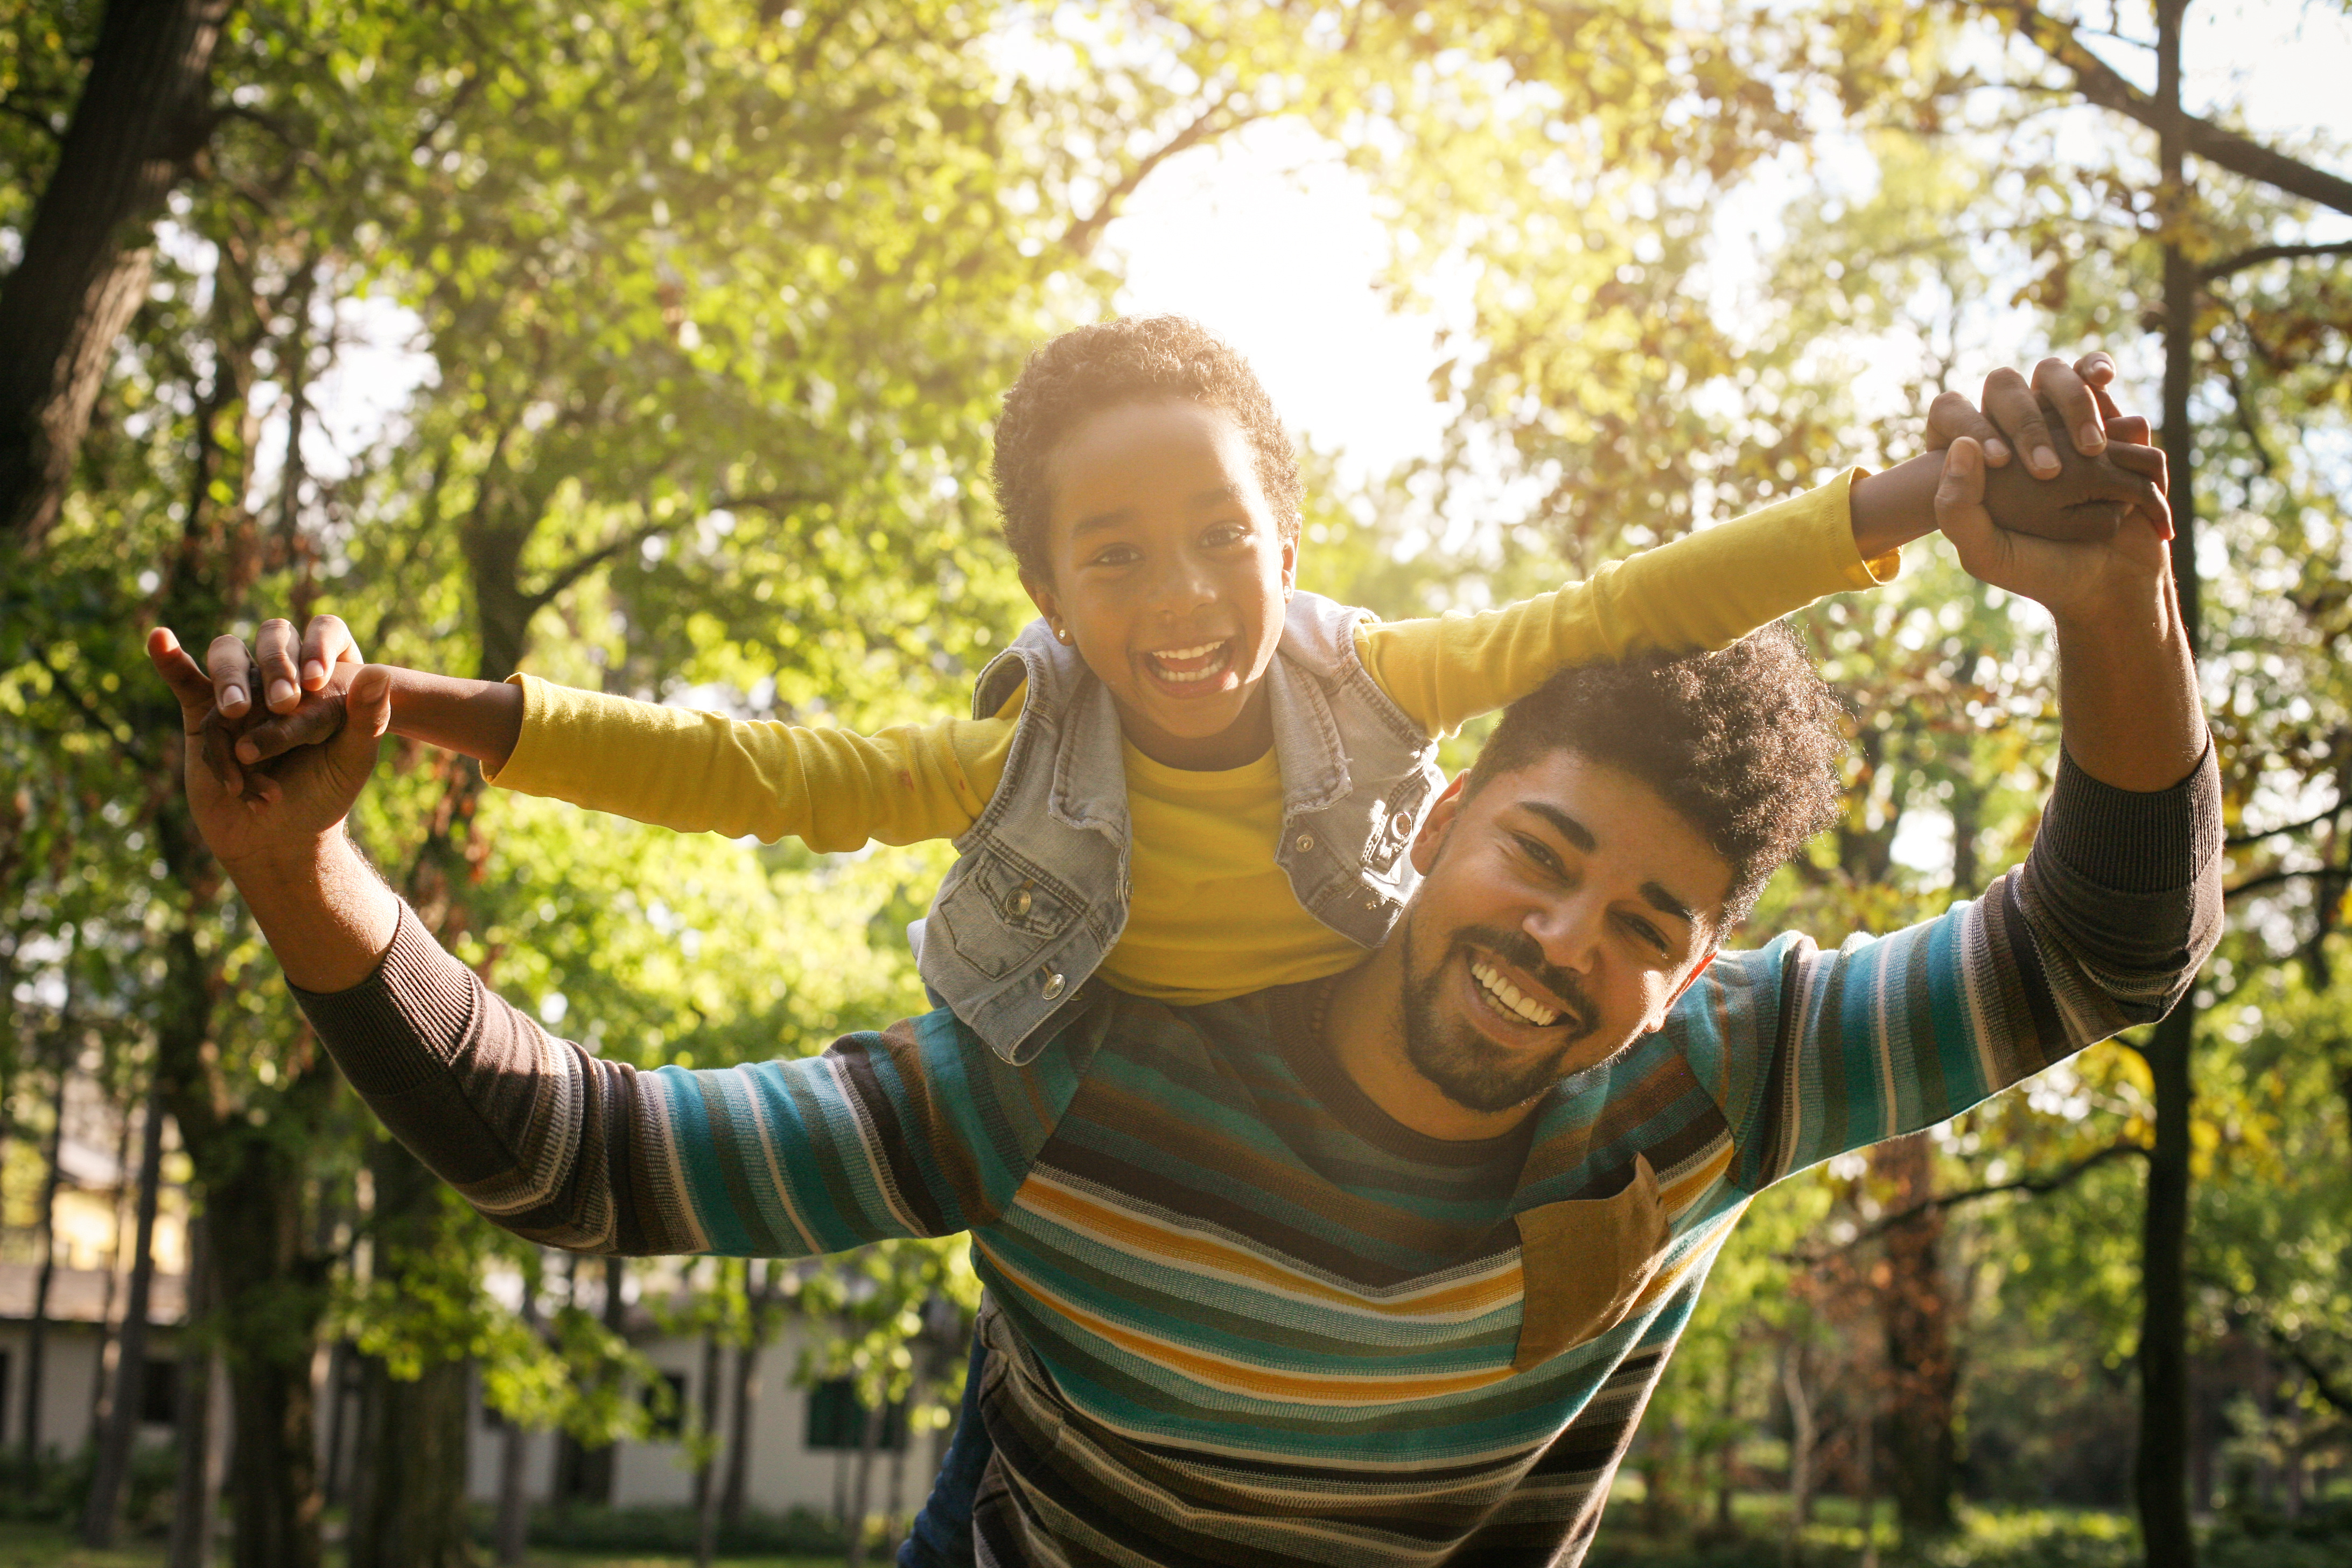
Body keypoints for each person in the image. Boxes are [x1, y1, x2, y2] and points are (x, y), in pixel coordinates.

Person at [150, 363, 2216, 1565]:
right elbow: (589, 1159)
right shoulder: (1064, 1069)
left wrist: (2108, 605)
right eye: (1542, 861)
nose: (1563, 949)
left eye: (1650, 930)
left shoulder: (1722, 1083)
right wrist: (304, 870)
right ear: (1435, 819)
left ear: (1708, 969)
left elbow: (2102, 953)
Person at [198, 320, 2162, 1068]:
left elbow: (1639, 594)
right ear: (1049, 591)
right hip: (1082, 1089)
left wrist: (1935, 497)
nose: (1182, 596)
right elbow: (751, 774)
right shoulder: (1017, 755)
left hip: (1341, 1077)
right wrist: (406, 701)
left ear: (1288, 538)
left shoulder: (1378, 680)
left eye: (1219, 536)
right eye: (1111, 556)